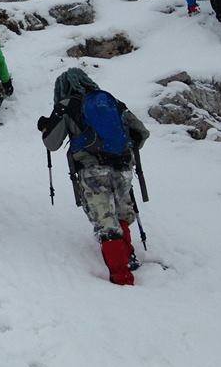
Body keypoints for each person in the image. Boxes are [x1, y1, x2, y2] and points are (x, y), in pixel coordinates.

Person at [38, 68, 150, 286]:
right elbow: (141, 132)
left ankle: (122, 277)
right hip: (123, 166)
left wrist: (45, 127)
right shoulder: (111, 101)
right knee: (122, 214)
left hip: (92, 170)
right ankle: (129, 257)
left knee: (106, 223)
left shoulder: (66, 105)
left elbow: (52, 143)